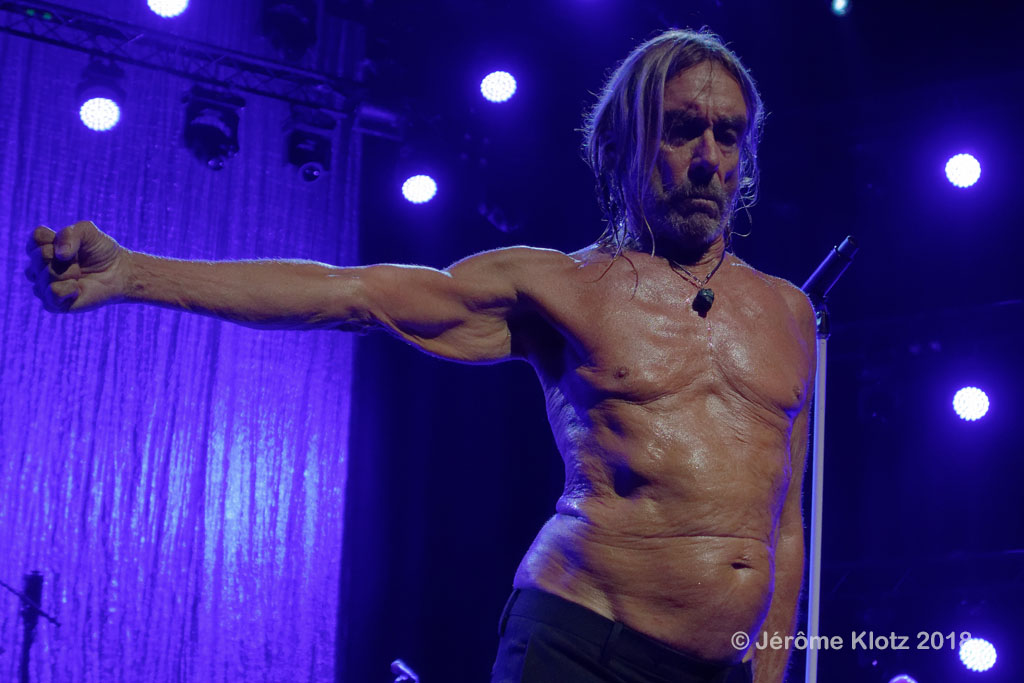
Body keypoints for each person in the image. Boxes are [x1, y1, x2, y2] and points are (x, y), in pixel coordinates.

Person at [25, 28, 814, 683]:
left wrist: (772, 670)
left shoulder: (789, 314)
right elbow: (350, 293)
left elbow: (782, 526)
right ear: (619, 148)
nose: (708, 157)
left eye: (728, 134)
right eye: (680, 129)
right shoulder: (564, 287)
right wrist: (133, 273)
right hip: (581, 646)